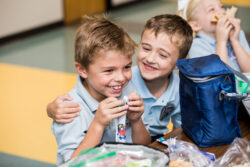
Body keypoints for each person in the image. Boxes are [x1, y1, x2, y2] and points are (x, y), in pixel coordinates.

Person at [47, 14, 193, 142]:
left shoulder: (124, 82)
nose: (151, 58)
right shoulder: (124, 83)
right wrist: (51, 109)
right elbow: (88, 86)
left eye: (162, 55)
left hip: (142, 143)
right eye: (146, 48)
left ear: (178, 64)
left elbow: (182, 127)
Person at [52, 15, 151, 166]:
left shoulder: (126, 89)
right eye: (109, 70)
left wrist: (136, 121)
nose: (120, 78)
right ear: (82, 69)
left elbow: (143, 147)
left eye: (126, 67)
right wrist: (98, 125)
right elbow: (73, 164)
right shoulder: (69, 109)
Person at [178, 0, 250, 72]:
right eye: (211, 9)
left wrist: (234, 41)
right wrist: (221, 41)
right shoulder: (196, 46)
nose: (222, 12)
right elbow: (220, 77)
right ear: (196, 25)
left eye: (222, 7)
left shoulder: (237, 34)